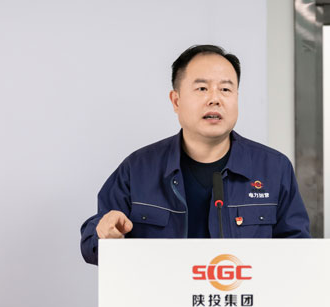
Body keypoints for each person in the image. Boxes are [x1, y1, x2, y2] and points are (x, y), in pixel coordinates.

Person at [80, 44, 310, 265]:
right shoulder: (138, 168)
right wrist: (103, 233)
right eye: (202, 89)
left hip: (242, 292)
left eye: (225, 89)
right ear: (176, 101)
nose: (215, 99)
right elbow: (91, 246)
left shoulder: (273, 168)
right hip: (163, 293)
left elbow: (298, 251)